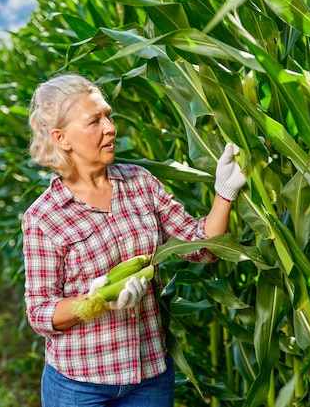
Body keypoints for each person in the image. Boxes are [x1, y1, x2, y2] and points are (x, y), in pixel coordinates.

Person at [22, 73, 246, 407]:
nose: (110, 127)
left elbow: (201, 247)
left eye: (108, 116)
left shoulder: (141, 183)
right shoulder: (44, 216)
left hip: (149, 376)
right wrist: (95, 300)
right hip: (80, 385)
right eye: (94, 121)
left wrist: (224, 193)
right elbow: (40, 313)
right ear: (62, 138)